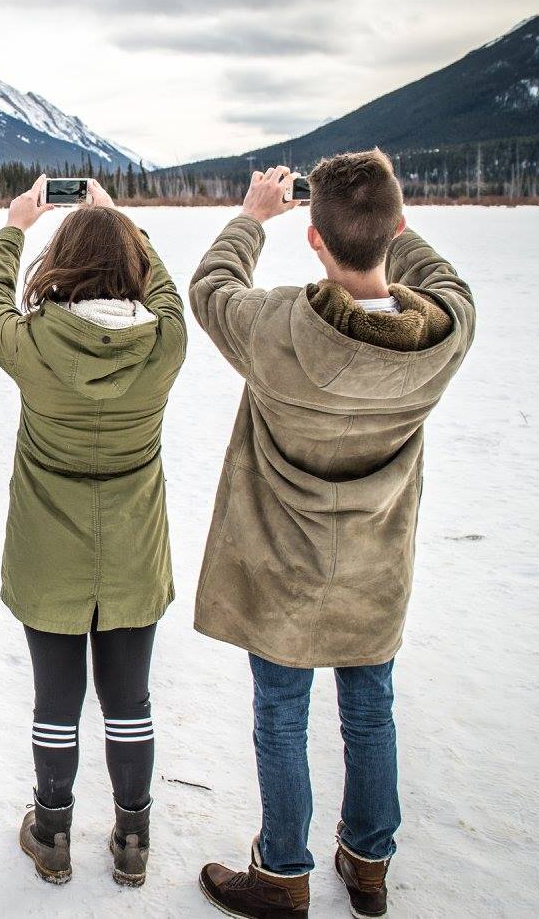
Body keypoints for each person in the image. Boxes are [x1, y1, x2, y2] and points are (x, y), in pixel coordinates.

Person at [192, 153, 476, 919]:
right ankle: (369, 865)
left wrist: (253, 216)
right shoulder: (444, 334)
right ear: (399, 227)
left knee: (282, 716)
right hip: (376, 572)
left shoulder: (277, 328)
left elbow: (211, 287)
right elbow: (442, 278)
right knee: (371, 711)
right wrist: (387, 226)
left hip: (282, 573)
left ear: (313, 236)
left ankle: (283, 876)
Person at [0, 176, 187, 888]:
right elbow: (165, 292)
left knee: (55, 703)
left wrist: (14, 226)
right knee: (130, 703)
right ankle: (132, 838)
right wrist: (123, 224)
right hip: (133, 553)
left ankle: (53, 832)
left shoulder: (34, 344)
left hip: (48, 555)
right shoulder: (165, 344)